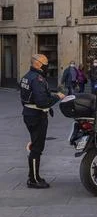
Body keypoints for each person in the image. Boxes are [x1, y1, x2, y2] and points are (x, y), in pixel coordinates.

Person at [20, 54, 65, 189]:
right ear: (38, 64)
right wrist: (57, 97)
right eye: (45, 63)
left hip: (29, 114)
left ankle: (35, 175)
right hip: (37, 115)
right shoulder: (37, 79)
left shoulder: (27, 77)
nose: (47, 66)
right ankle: (33, 179)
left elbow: (28, 97)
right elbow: (42, 102)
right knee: (37, 148)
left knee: (36, 144)